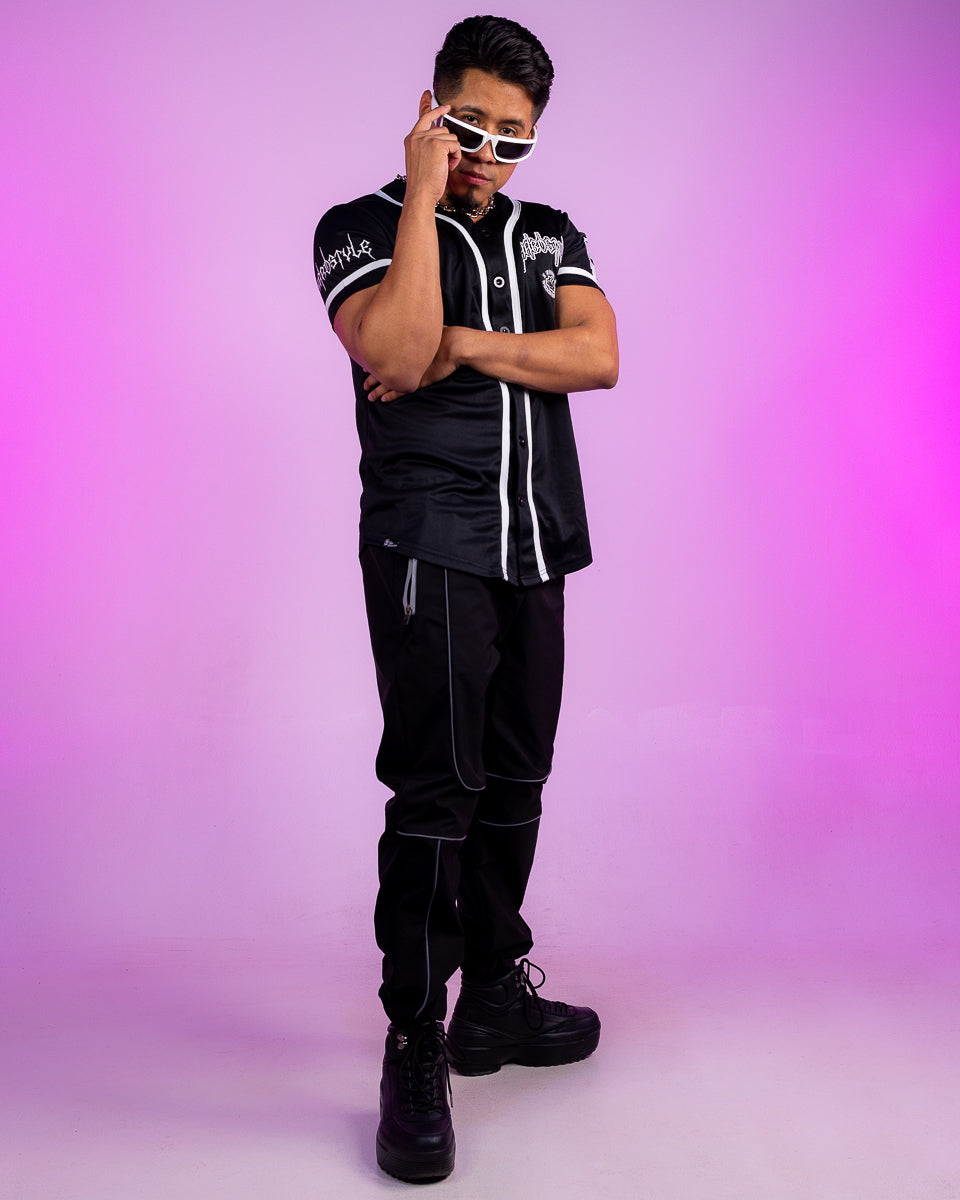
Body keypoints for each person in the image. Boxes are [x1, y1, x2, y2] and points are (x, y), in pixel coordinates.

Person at [313, 15, 618, 1183]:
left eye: (513, 135)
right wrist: (422, 200)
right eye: (468, 124)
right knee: (438, 791)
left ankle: (491, 992)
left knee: (518, 779)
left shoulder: (549, 235)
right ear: (432, 109)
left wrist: (469, 346)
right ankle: (415, 1039)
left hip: (537, 540)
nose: (488, 150)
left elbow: (598, 356)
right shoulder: (358, 227)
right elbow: (396, 348)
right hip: (429, 546)